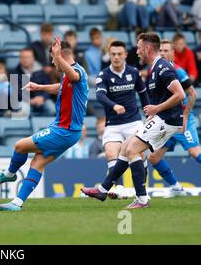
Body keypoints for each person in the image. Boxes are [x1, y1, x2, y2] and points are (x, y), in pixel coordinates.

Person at [82, 33, 185, 209]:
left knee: (131, 149)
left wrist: (156, 109)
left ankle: (141, 199)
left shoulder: (162, 68)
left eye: (138, 48)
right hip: (161, 118)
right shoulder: (154, 67)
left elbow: (180, 94)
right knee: (127, 147)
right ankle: (103, 189)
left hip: (167, 119)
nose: (136, 52)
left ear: (147, 48)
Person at [0, 38, 89, 211]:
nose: (51, 61)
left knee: (20, 146)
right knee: (37, 163)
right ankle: (16, 203)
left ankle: (9, 174)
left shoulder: (76, 71)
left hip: (64, 130)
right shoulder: (69, 75)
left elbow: (73, 77)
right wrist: (39, 87)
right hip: (68, 131)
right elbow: (62, 87)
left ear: (61, 56)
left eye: (53, 57)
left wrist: (58, 57)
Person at [94, 40, 149, 198]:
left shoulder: (133, 72)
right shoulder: (104, 75)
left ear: (125, 55)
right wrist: (114, 106)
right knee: (111, 153)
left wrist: (149, 113)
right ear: (109, 55)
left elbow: (143, 93)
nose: (116, 57)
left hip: (133, 122)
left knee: (140, 155)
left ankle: (142, 192)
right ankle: (119, 189)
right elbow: (100, 95)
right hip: (113, 124)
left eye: (119, 54)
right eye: (113, 54)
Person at [147, 40, 201, 197]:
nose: (162, 53)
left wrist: (185, 117)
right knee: (153, 157)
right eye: (160, 51)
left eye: (165, 51)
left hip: (181, 121)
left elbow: (192, 94)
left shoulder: (178, 71)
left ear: (172, 53)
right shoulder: (156, 71)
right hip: (166, 122)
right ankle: (176, 187)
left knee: (195, 152)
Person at [10, 48, 54, 116]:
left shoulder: (41, 72)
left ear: (33, 58)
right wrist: (31, 101)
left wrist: (42, 97)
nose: (25, 60)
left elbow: (48, 87)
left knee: (52, 108)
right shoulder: (14, 73)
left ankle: (42, 125)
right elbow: (16, 92)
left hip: (41, 100)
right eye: (23, 57)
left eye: (28, 57)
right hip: (24, 101)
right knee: (24, 110)